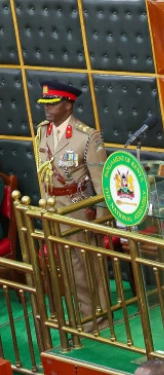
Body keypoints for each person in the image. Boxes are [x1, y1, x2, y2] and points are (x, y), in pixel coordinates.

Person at [34, 81, 110, 331]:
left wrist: (101, 218)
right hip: (54, 208)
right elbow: (43, 171)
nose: (47, 109)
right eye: (45, 104)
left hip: (78, 209)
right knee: (67, 266)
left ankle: (99, 318)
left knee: (89, 266)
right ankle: (81, 316)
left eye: (53, 104)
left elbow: (100, 181)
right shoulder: (42, 131)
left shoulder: (87, 136)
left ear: (68, 105)